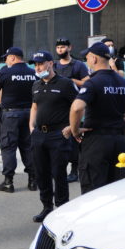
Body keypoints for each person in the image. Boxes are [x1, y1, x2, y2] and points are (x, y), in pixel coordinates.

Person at [69, 42, 125, 194]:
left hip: (96, 142)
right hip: (119, 142)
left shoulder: (93, 83)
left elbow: (77, 107)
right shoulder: (123, 82)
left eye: (87, 58)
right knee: (117, 189)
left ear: (94, 59)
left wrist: (75, 130)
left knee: (93, 190)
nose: (87, 62)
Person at [28, 51, 77, 222]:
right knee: (41, 173)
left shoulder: (65, 84)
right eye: (35, 65)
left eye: (40, 64)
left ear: (50, 63)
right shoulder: (36, 85)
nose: (38, 67)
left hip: (58, 135)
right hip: (39, 135)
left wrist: (72, 127)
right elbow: (34, 107)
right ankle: (46, 207)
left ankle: (62, 208)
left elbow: (78, 106)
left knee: (59, 172)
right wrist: (31, 127)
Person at [0, 47, 37, 193]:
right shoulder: (32, 72)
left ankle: (8, 181)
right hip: (29, 113)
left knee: (8, 146)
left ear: (12, 57)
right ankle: (32, 180)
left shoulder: (5, 72)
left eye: (6, 58)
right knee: (27, 146)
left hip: (11, 114)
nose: (5, 60)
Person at [54, 37, 90, 182]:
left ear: (70, 48)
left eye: (63, 47)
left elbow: (87, 83)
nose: (60, 50)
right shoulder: (55, 65)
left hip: (74, 106)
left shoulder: (78, 65)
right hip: (58, 108)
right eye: (58, 48)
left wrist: (73, 81)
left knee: (75, 140)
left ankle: (75, 170)